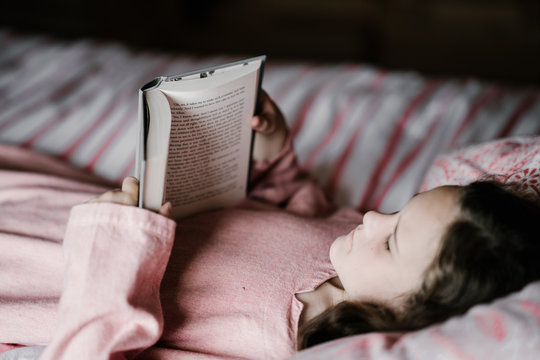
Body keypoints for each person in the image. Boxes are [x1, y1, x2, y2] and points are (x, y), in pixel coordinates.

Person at [1, 91, 539, 359]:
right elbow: (289, 211)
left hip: (47, 270)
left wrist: (113, 252)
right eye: (400, 207)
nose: (374, 216)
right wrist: (273, 154)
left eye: (393, 239)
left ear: (416, 312)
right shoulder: (352, 247)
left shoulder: (278, 343)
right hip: (55, 201)